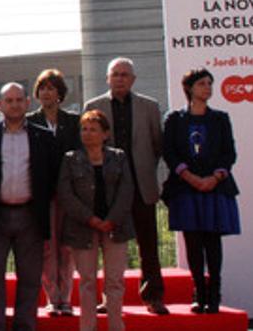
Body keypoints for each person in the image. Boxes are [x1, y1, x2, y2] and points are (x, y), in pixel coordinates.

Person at [0, 82, 57, 331]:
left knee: (30, 277)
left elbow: (53, 176)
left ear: (28, 103)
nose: (15, 104)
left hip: (31, 215)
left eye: (19, 100)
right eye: (9, 100)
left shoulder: (44, 137)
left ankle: (24, 325)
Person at [83, 57, 168, 315]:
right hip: (108, 191)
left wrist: (140, 171)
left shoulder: (149, 107)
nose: (120, 78)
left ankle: (153, 297)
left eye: (124, 74)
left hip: (141, 186)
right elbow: (88, 145)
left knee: (149, 245)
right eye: (115, 74)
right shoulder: (93, 106)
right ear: (107, 78)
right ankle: (110, 300)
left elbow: (156, 146)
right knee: (109, 248)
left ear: (133, 79)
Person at [162, 68, 240, 314]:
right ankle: (199, 293)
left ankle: (215, 292)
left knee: (212, 241)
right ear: (190, 88)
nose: (207, 88)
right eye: (202, 84)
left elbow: (229, 153)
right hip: (185, 188)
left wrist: (214, 178)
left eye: (210, 84)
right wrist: (189, 176)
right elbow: (169, 152)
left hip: (214, 188)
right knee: (193, 242)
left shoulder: (220, 118)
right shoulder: (175, 119)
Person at [56, 110, 135, 331]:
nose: (88, 134)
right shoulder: (71, 159)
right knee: (87, 281)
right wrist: (90, 219)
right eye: (84, 129)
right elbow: (65, 194)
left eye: (93, 129)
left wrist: (111, 219)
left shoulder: (118, 157)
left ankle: (116, 326)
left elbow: (126, 190)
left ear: (105, 134)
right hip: (83, 228)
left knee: (115, 281)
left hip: (115, 227)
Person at [27, 68, 80, 317]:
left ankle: (66, 298)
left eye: (51, 88)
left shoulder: (73, 121)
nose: (47, 93)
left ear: (60, 93)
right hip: (42, 193)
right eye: (43, 88)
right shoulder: (30, 122)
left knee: (67, 247)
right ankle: (52, 297)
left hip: (69, 193)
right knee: (47, 246)